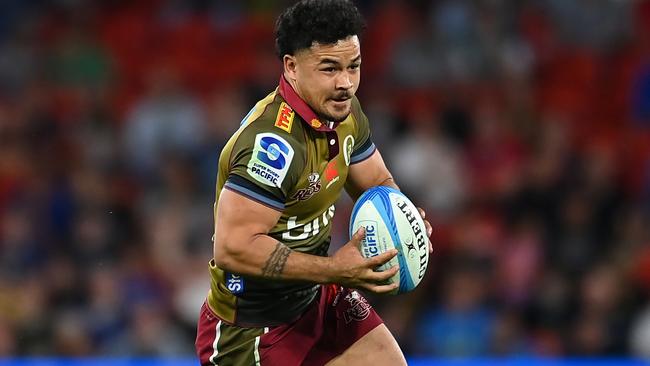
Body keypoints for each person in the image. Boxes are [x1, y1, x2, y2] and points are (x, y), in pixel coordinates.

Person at [195, 1, 433, 365]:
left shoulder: (345, 112)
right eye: (329, 69)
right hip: (253, 330)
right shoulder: (272, 146)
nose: (345, 83)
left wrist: (404, 222)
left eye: (353, 67)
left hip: (316, 299)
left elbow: (377, 181)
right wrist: (335, 269)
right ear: (291, 67)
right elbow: (234, 247)